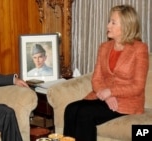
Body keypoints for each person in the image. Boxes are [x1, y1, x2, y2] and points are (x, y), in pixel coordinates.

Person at [63, 5, 149, 141]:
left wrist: (111, 92)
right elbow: (96, 79)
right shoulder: (104, 47)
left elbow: (137, 86)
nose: (108, 25)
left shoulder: (139, 49)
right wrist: (107, 95)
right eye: (109, 21)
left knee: (85, 114)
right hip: (103, 98)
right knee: (70, 109)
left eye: (113, 22)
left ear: (126, 26)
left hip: (127, 102)